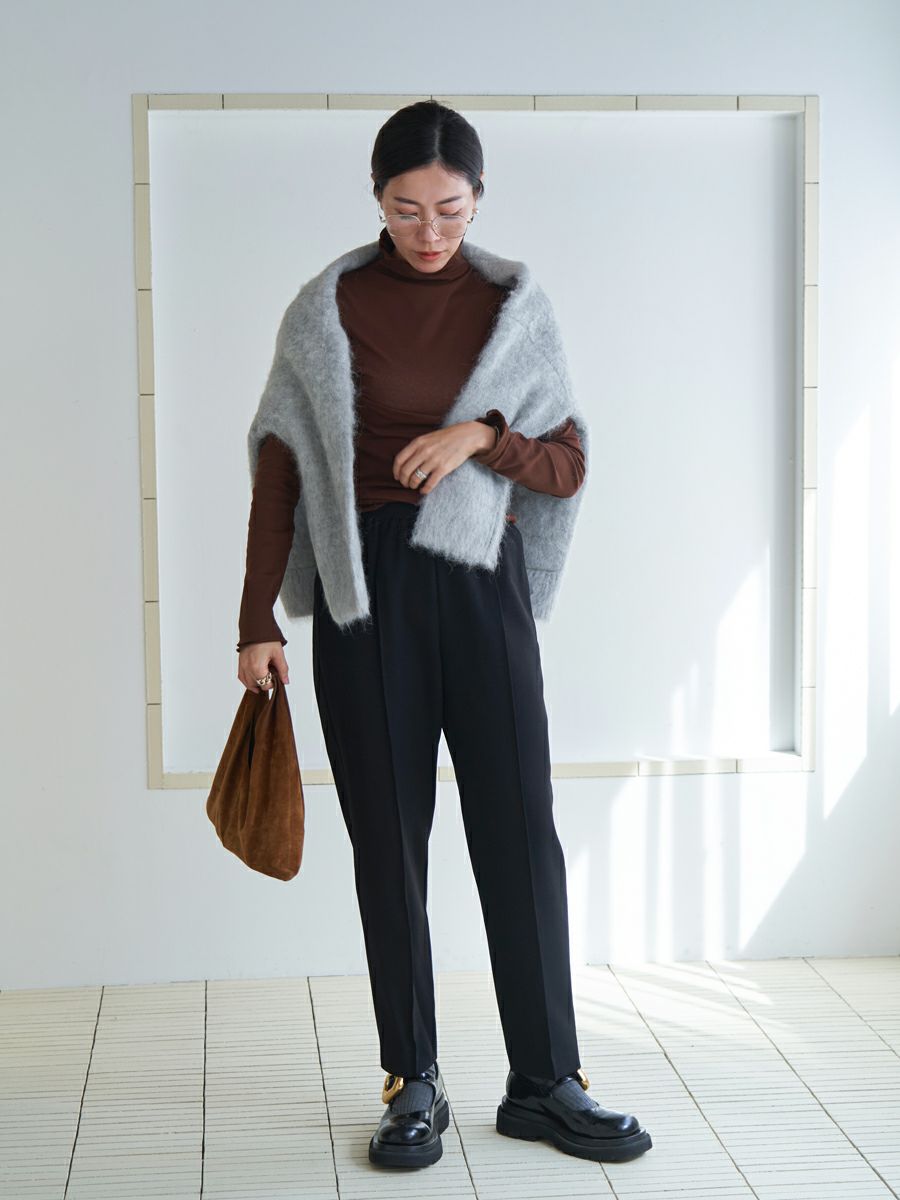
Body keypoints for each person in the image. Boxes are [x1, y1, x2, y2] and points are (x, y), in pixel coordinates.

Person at [236, 100, 652, 1170]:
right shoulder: (326, 307)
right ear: (376, 200)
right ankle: (411, 1081)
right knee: (390, 842)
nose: (430, 230)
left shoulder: (516, 308)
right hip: (364, 591)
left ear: (479, 197)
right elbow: (281, 464)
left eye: (451, 209)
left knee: (520, 829)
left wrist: (481, 436)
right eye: (407, 208)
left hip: (480, 584)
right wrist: (253, 621)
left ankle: (546, 1082)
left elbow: (567, 465)